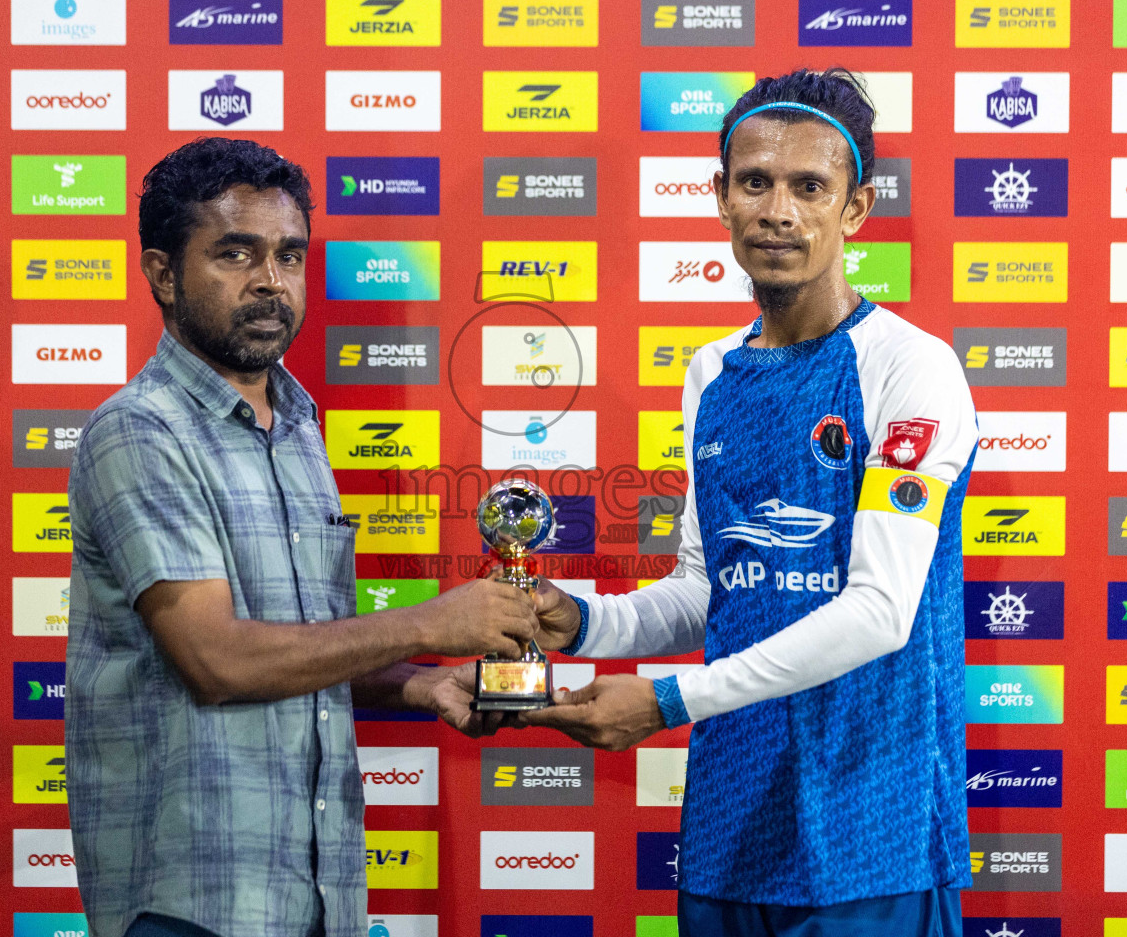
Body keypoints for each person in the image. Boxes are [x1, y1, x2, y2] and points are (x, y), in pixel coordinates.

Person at [524, 69, 978, 935]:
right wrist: (578, 625)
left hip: (870, 827)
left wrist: (664, 702)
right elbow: (710, 590)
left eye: (811, 187)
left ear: (855, 210)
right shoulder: (710, 373)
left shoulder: (909, 367)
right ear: (721, 198)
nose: (779, 210)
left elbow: (881, 612)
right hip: (733, 819)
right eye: (755, 182)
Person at [65, 137, 535, 937]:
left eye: (289, 255)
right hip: (196, 900)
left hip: (314, 890)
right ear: (163, 273)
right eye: (235, 254)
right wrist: (432, 622)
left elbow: (305, 650)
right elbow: (216, 661)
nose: (269, 282)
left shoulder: (299, 425)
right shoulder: (138, 431)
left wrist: (417, 684)